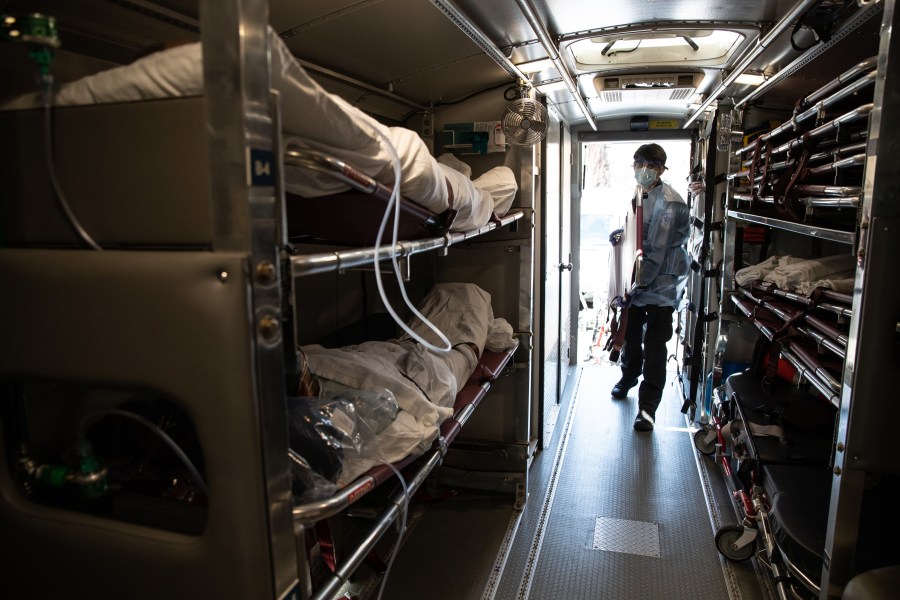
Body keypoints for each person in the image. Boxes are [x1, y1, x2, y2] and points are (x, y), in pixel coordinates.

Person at [610, 144, 691, 432]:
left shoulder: (669, 202)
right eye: (638, 163)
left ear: (661, 170)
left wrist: (636, 284)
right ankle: (629, 376)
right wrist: (621, 235)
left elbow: (656, 249)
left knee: (655, 344)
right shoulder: (641, 193)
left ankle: (647, 409)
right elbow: (638, 231)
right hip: (641, 280)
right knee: (632, 336)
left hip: (661, 284)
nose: (642, 169)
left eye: (649, 165)